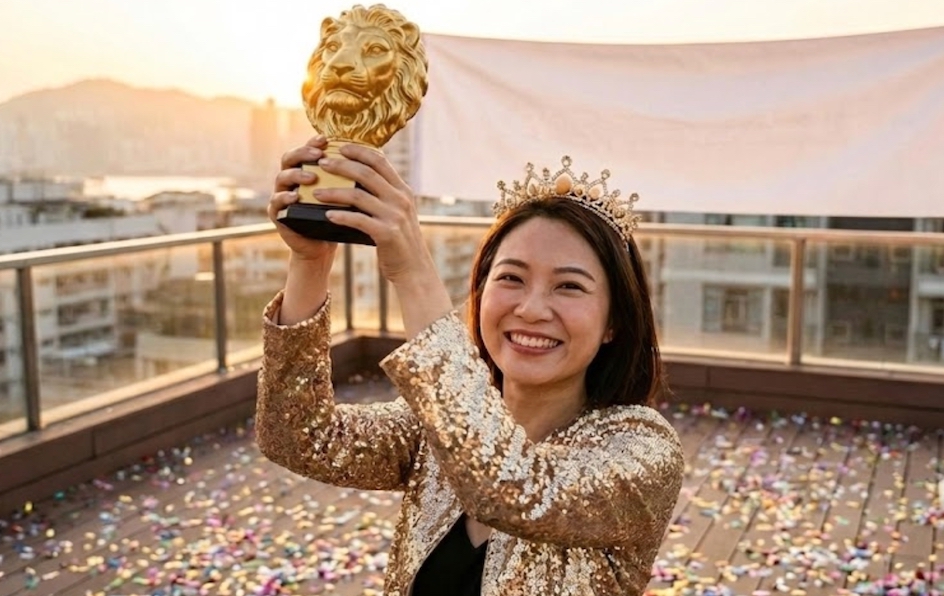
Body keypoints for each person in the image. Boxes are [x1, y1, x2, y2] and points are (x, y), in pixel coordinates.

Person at [255, 135, 685, 595]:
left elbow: (511, 487)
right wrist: (310, 260)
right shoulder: (437, 427)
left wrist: (412, 270)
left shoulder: (642, 450)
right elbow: (298, 437)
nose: (531, 309)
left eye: (569, 287)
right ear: (481, 293)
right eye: (511, 278)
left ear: (613, 322)